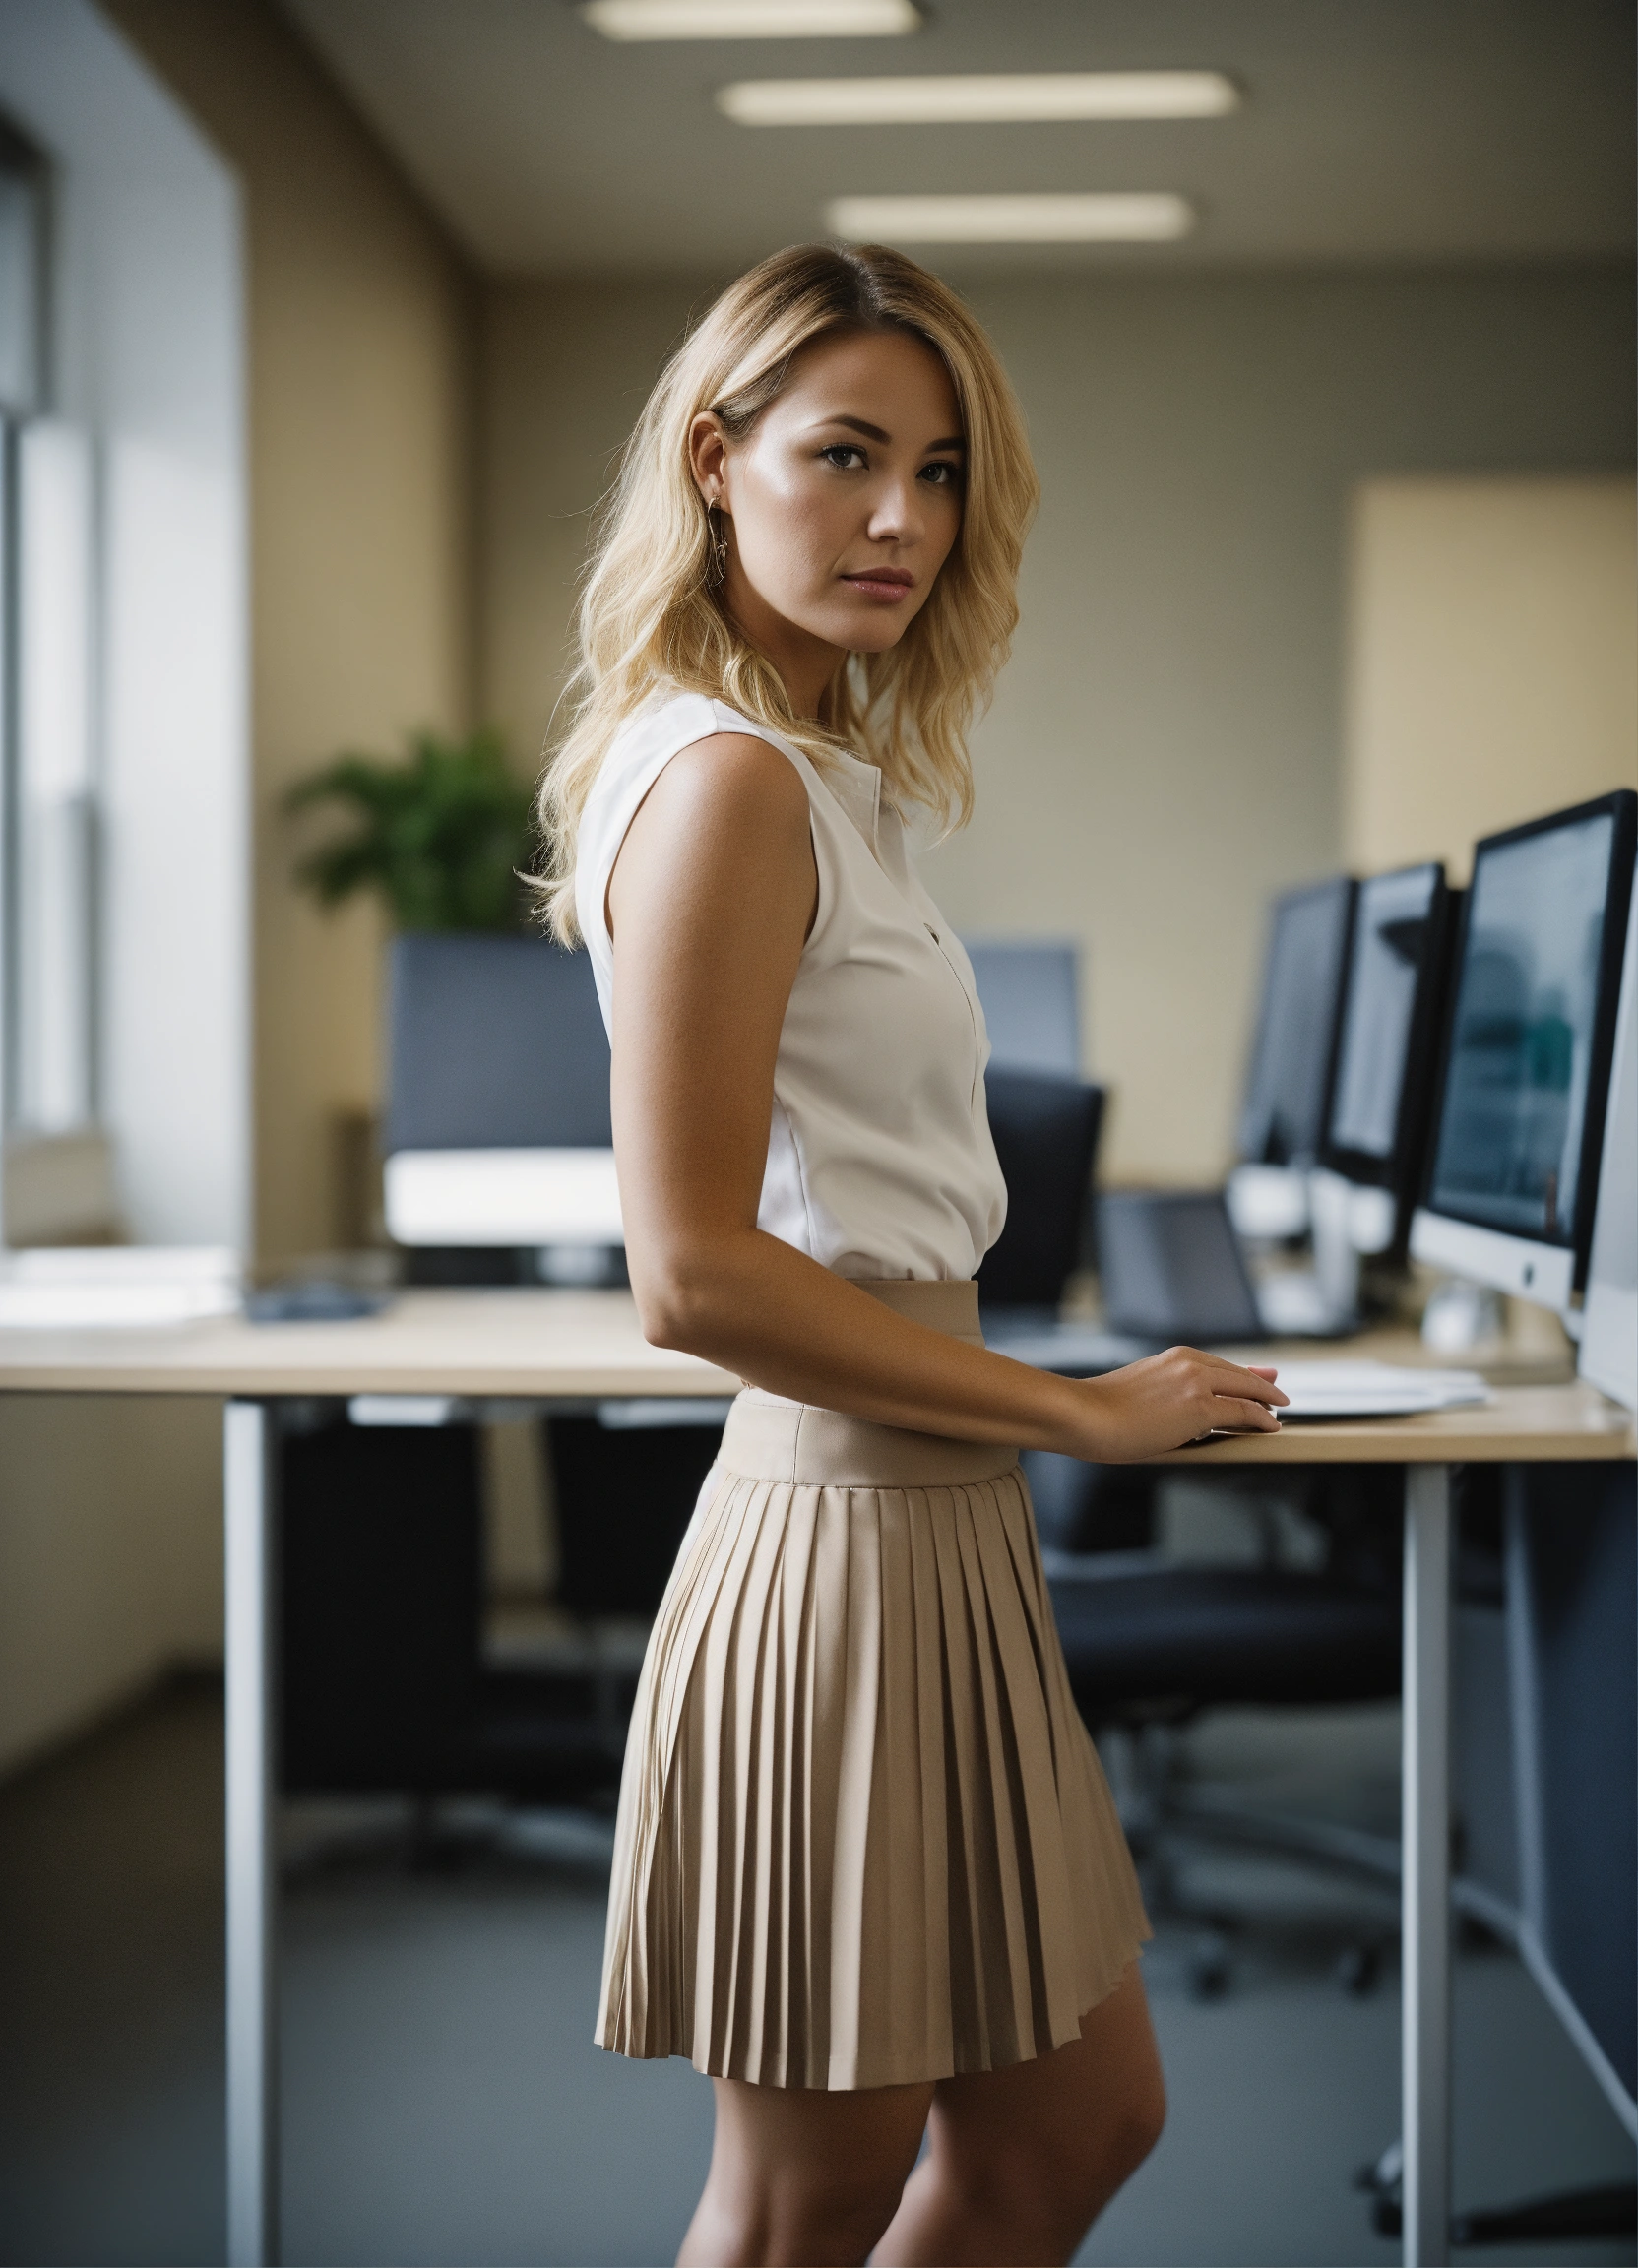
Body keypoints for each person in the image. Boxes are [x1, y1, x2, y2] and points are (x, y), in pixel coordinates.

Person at [536, 241, 1287, 2268]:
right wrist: (1073, 1411)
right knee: (804, 2204)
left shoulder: (815, 777)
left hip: (938, 1533)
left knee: (1071, 2131)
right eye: (844, 454)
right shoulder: (722, 786)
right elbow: (690, 1277)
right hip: (842, 1538)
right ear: (713, 460)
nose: (902, 520)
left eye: (941, 470)